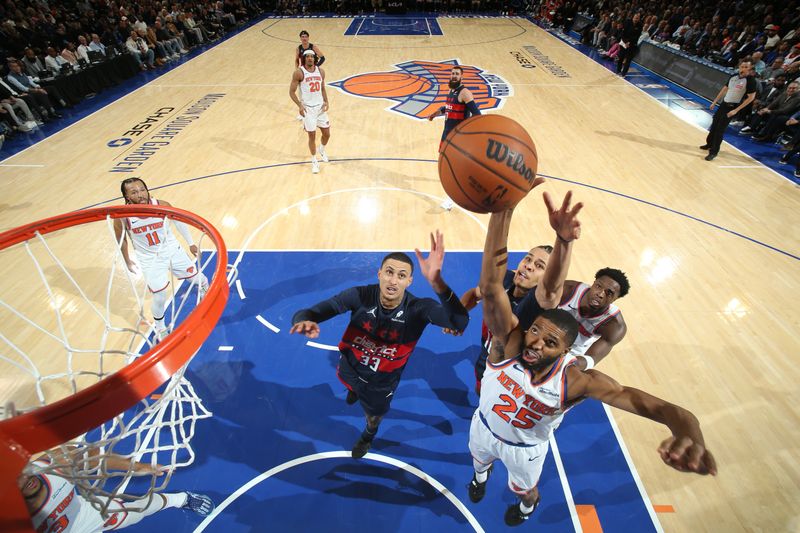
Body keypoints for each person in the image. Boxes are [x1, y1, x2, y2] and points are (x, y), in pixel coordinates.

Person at [468, 192, 717, 527]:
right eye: (536, 331)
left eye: (551, 342)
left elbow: (665, 410)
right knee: (478, 462)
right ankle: (480, 478)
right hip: (483, 427)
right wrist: (502, 213)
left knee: (526, 490)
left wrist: (689, 433)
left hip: (525, 452)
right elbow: (494, 285)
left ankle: (528, 505)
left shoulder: (576, 380)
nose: (537, 343)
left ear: (565, 350)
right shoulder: (507, 346)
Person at [290, 231, 469, 458]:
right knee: (351, 386)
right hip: (350, 367)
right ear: (379, 274)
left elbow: (459, 321)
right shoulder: (360, 295)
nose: (393, 280)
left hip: (382, 382)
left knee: (373, 416)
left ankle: (368, 434)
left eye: (401, 275)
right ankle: (353, 390)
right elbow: (314, 311)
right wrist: (302, 320)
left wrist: (437, 282)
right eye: (389, 272)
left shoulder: (418, 309)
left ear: (409, 281)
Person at [19, 448, 213, 531]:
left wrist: (138, 467)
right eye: (12, 481)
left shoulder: (50, 465)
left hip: (89, 515)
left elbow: (93, 455)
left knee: (135, 513)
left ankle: (179, 499)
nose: (24, 478)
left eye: (20, 470)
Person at [113, 177, 208, 341]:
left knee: (198, 279)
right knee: (159, 296)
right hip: (149, 259)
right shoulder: (122, 216)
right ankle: (161, 328)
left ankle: (204, 291)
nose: (141, 194)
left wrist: (191, 243)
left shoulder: (162, 205)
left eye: (142, 189)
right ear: (127, 197)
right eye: (134, 192)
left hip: (172, 250)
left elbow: (179, 222)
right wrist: (127, 260)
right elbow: (121, 240)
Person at [453, 242, 553, 395]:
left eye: (539, 266)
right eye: (528, 259)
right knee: (480, 392)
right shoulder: (504, 279)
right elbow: (475, 293)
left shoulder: (538, 305)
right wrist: (458, 314)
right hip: (485, 358)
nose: (529, 266)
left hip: (513, 374)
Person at [515, 265, 629, 371]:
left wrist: (565, 366)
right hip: (545, 338)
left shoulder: (614, 325)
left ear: (615, 299)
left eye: (609, 293)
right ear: (593, 283)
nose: (600, 294)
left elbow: (591, 359)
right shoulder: (567, 290)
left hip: (572, 353)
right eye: (598, 286)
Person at [426, 65, 482, 209]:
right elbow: (448, 108)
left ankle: (452, 198)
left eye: (457, 74)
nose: (454, 76)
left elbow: (477, 115)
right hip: (447, 134)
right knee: (443, 164)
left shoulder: (465, 93)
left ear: (461, 76)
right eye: (453, 73)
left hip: (457, 137)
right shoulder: (451, 90)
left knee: (452, 168)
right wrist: (435, 113)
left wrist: (469, 133)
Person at [701, 59, 757, 161]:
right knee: (714, 126)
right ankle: (709, 144)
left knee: (720, 130)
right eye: (742, 66)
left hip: (732, 107)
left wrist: (736, 110)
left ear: (750, 69)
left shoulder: (750, 81)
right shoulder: (733, 76)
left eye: (746, 67)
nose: (743, 69)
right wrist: (715, 102)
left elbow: (751, 98)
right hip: (723, 105)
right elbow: (724, 89)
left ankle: (714, 152)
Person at [289, 49, 330, 174]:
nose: (310, 58)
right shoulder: (299, 73)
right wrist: (300, 105)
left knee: (327, 134)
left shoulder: (321, 72)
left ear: (315, 58)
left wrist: (326, 101)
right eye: (308, 57)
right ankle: (314, 161)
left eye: (312, 56)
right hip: (308, 109)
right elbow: (291, 92)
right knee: (312, 135)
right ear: (304, 58)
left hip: (320, 108)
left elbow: (322, 88)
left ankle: (321, 150)